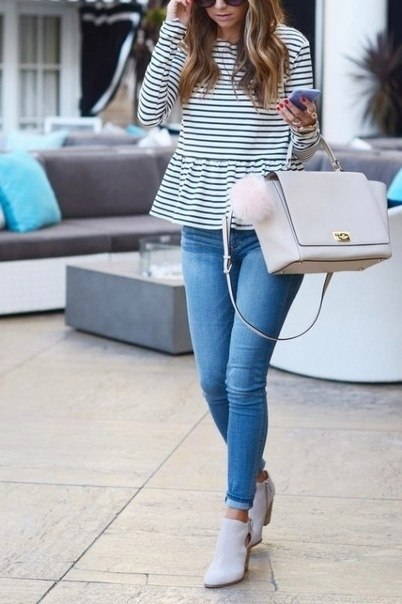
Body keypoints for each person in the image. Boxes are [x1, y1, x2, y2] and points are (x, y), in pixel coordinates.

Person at [138, 0, 320, 589]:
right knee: (213, 379)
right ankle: (258, 480)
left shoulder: (289, 44)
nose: (220, 5)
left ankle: (235, 518)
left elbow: (302, 151)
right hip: (200, 228)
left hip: (269, 230)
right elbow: (147, 113)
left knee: (243, 378)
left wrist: (305, 128)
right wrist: (172, 26)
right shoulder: (186, 40)